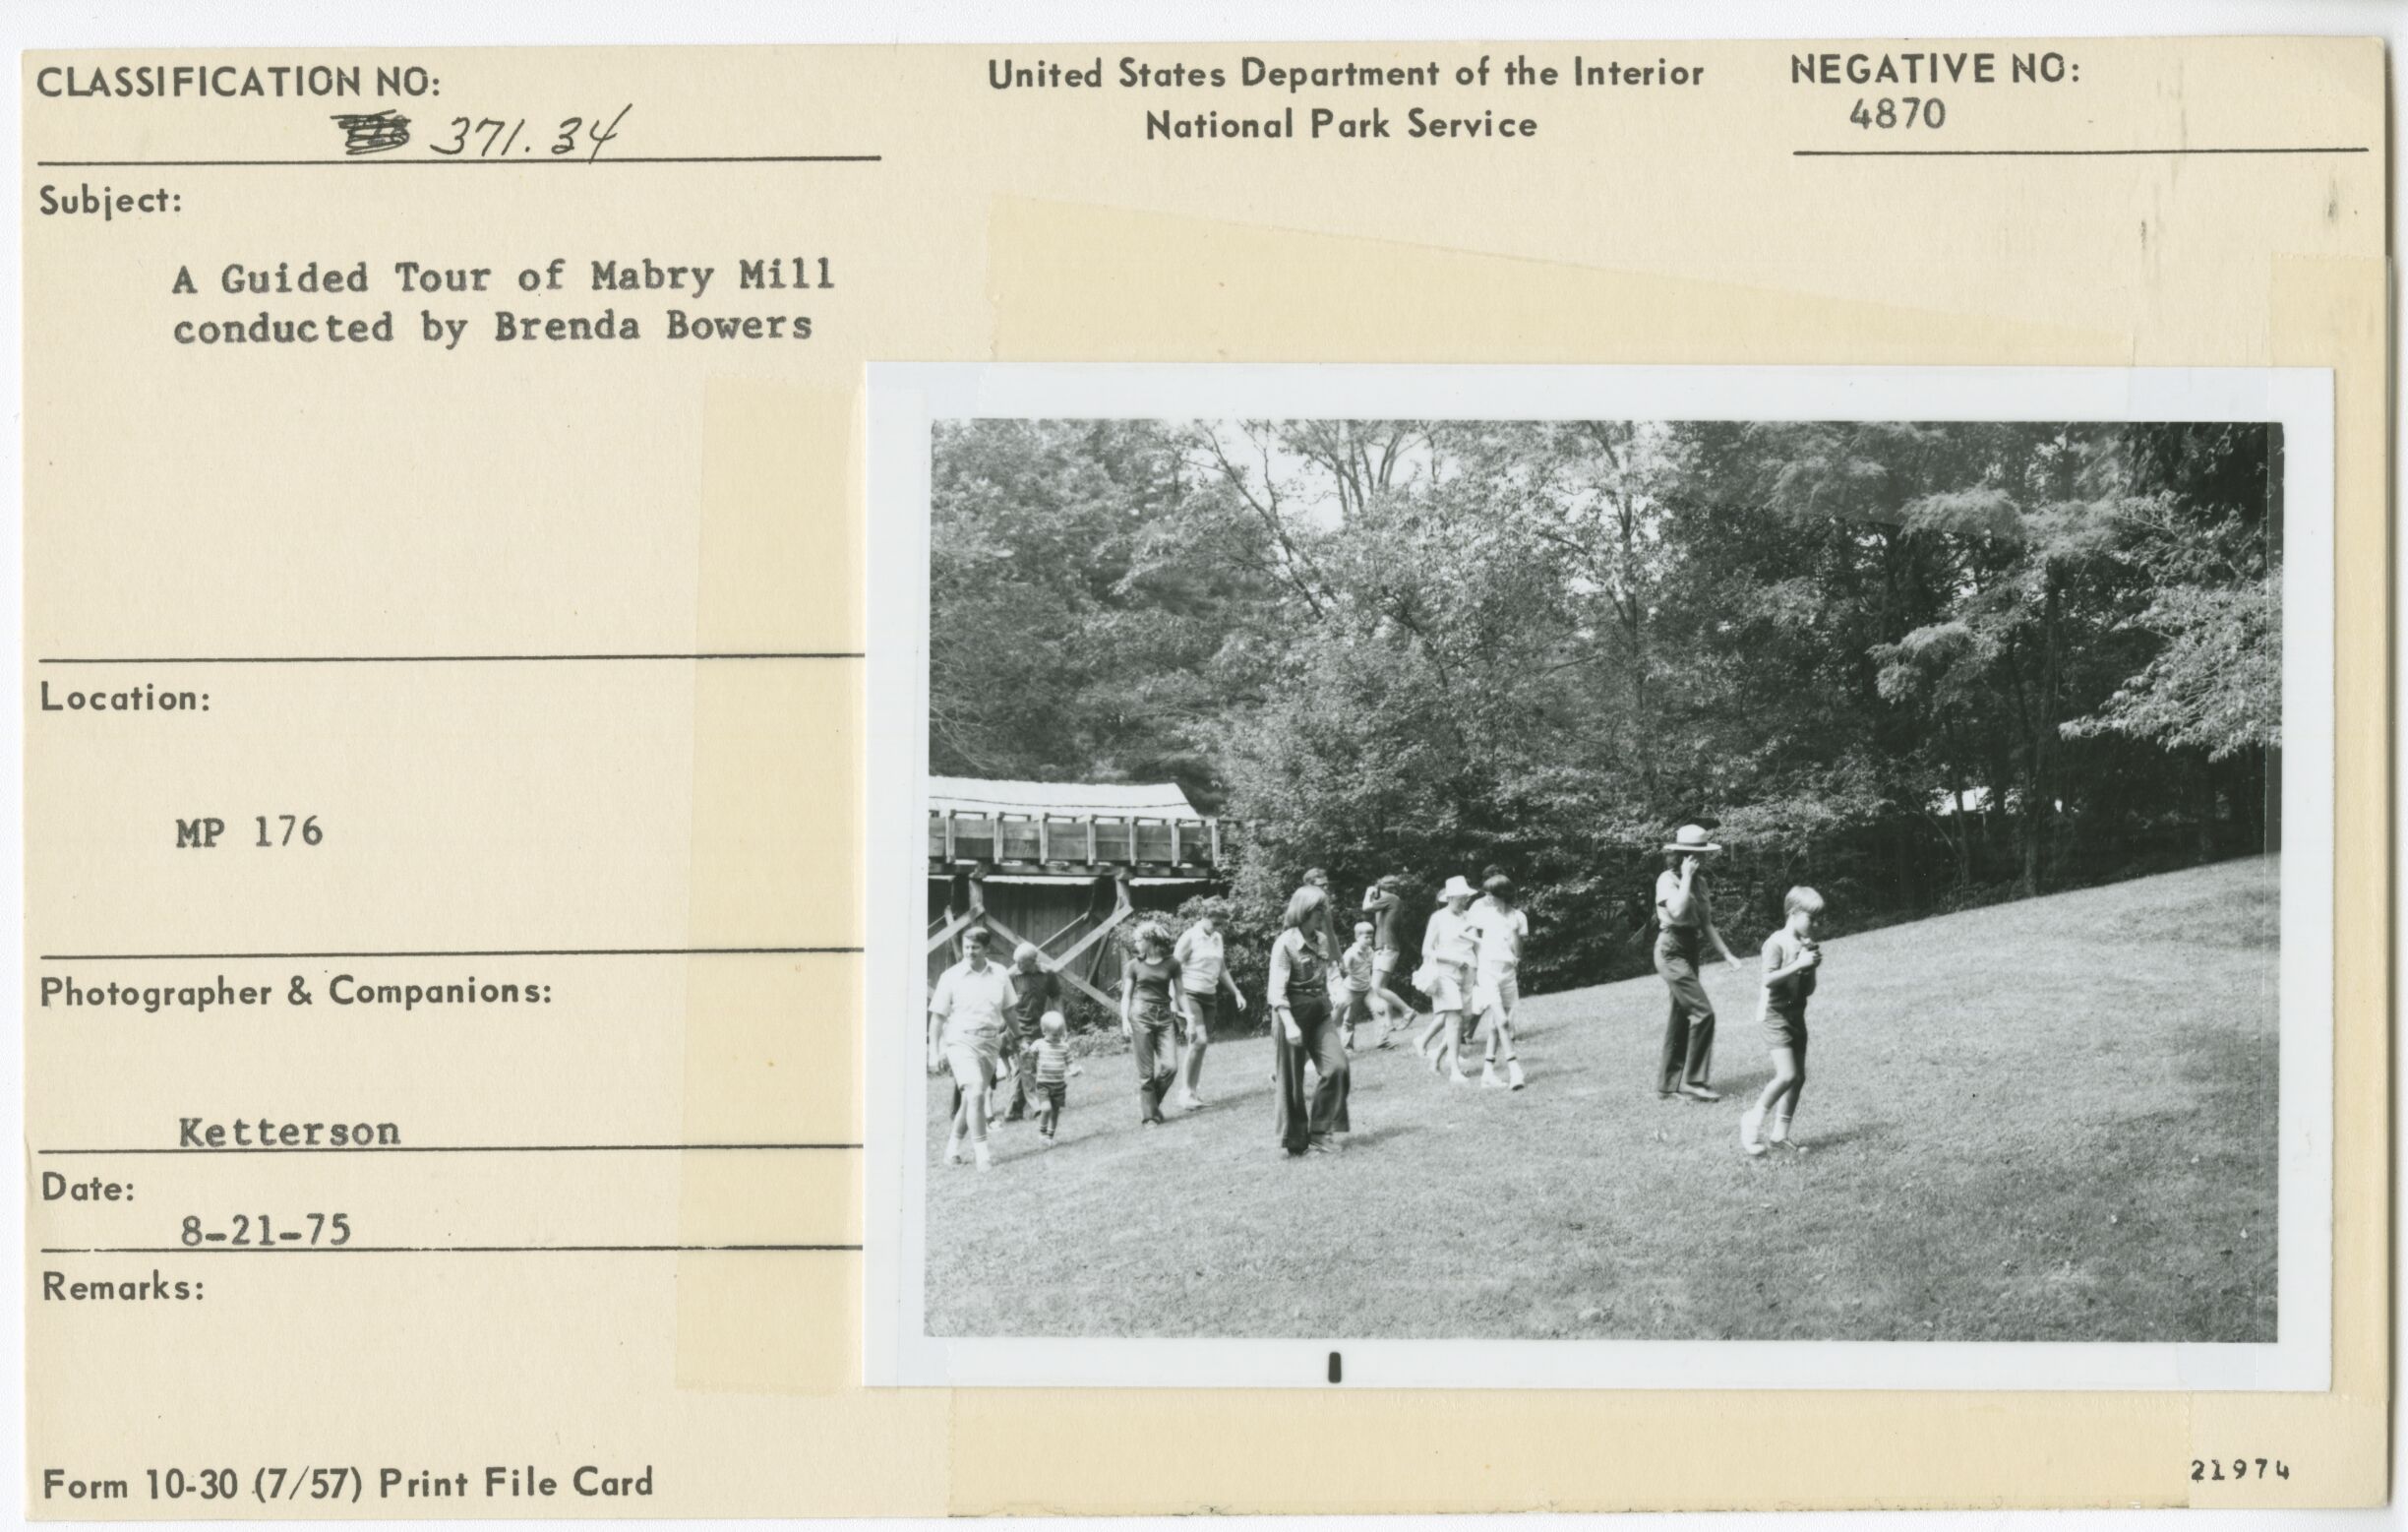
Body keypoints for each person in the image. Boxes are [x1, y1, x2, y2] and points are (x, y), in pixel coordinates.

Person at [1655, 824, 1744, 1102]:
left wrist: (1727, 954)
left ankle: (1668, 1085)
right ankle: (1693, 1082)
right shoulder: (1667, 879)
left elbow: (1705, 924)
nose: (1701, 860)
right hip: (1670, 949)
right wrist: (1687, 878)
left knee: (1681, 1015)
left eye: (1703, 854)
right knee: (1704, 1013)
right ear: (1681, 855)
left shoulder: (1701, 882)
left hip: (1690, 948)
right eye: (1696, 854)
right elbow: (1678, 912)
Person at [1742, 887, 1825, 1155]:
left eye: (1818, 919)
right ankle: (1752, 1121)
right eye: (1811, 918)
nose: (1816, 924)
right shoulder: (1775, 943)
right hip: (1774, 1016)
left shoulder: (1804, 945)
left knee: (1798, 1077)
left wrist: (1810, 968)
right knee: (1787, 1074)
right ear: (1793, 914)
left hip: (1796, 1015)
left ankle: (1780, 1136)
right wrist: (1799, 964)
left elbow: (1808, 989)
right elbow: (1768, 979)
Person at [1268, 884, 1350, 1155]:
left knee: (1337, 1067)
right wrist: (1289, 1024)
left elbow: (1330, 972)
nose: (1322, 914)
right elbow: (1275, 991)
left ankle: (1320, 1130)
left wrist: (1338, 991)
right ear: (1302, 910)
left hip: (1320, 1011)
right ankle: (1295, 1141)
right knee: (1291, 1080)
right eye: (1317, 909)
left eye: (1323, 909)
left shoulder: (1322, 940)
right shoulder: (1285, 944)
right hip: (1292, 1013)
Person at [926, 926, 1016, 1170]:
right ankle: (982, 1155)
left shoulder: (1000, 973)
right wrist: (934, 1052)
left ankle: (951, 1151)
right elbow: (937, 1018)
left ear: (987, 949)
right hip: (960, 1041)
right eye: (966, 947)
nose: (970, 951)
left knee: (970, 1100)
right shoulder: (951, 976)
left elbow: (1009, 1010)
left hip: (989, 1042)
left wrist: (1020, 1038)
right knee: (976, 1092)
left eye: (975, 947)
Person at [1172, 901, 1246, 1110]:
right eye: (1214, 922)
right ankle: (1185, 1093)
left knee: (1200, 1046)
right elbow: (1173, 970)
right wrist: (1173, 1001)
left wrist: (1237, 992)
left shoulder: (1217, 938)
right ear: (1203, 915)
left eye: (1220, 924)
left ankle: (1192, 1093)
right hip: (1189, 994)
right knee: (1199, 1040)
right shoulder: (1190, 936)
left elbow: (1221, 969)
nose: (1217, 927)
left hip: (1209, 996)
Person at [1119, 922, 1189, 1126]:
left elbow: (1181, 992)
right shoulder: (1133, 965)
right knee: (1146, 1073)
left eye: (1138, 940)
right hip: (1141, 1015)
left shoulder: (1172, 964)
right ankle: (1150, 1117)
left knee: (1171, 1067)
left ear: (1150, 940)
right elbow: (1126, 996)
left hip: (1165, 1017)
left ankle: (1149, 1104)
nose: (1136, 944)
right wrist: (1124, 1019)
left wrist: (1189, 1016)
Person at [1415, 876, 1479, 1084]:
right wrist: (1453, 959)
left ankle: (1438, 1057)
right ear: (1450, 897)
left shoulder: (1470, 917)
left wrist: (1479, 971)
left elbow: (1477, 945)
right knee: (1453, 1018)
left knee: (1465, 1019)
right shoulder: (1438, 917)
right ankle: (1455, 1070)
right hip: (1445, 972)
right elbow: (1426, 950)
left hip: (1469, 971)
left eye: (1466, 897)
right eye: (1462, 897)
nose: (1465, 901)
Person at [1469, 874, 1529, 1090]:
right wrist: (1480, 942)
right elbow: (1463, 931)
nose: (1487, 897)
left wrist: (1513, 934)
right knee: (1502, 1021)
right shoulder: (1484, 914)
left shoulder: (1519, 917)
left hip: (1508, 974)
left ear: (1501, 894)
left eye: (1490, 894)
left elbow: (1518, 953)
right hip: (1487, 972)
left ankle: (1487, 1073)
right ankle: (1515, 1070)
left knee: (1499, 1025)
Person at [999, 942, 1061, 1123]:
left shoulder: (1048, 974)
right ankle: (1038, 1107)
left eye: (1021, 962)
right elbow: (1004, 1006)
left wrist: (1059, 1021)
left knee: (1022, 1068)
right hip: (1018, 1029)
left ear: (1034, 961)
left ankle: (1012, 1111)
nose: (1017, 966)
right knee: (1028, 1068)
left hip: (1039, 1027)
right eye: (1016, 961)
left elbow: (1056, 996)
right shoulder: (1011, 976)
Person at [1361, 874, 1414, 1044]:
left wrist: (1369, 893)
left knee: (1377, 987)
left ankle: (1407, 1011)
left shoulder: (1391, 898)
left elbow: (1365, 908)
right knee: (1381, 987)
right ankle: (1389, 1023)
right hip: (1385, 948)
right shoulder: (1389, 903)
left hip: (1386, 948)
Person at [1031, 1011, 1074, 1143]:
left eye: (1060, 1034)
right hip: (1044, 1084)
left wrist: (1074, 1070)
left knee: (1055, 1113)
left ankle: (1050, 1137)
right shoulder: (1039, 1044)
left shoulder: (1064, 1046)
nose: (1058, 1038)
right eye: (1055, 1035)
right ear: (1044, 1031)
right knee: (1046, 1108)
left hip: (1059, 1085)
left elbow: (1070, 1061)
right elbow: (1030, 1056)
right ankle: (1042, 1134)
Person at [1336, 920, 1378, 1052]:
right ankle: (1347, 1047)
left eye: (1371, 936)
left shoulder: (1370, 951)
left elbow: (1372, 966)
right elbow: (1342, 969)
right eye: (1366, 937)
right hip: (1352, 990)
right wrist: (1348, 975)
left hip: (1367, 988)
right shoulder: (1351, 953)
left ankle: (1383, 1041)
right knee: (1349, 1019)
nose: (1369, 940)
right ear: (1357, 937)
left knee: (1379, 1009)